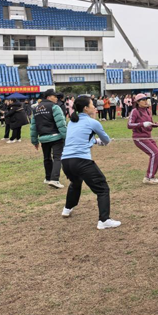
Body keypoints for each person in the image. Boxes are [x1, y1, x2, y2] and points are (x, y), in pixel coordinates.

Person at [61, 95, 120, 230]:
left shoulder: (72, 122)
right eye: (92, 105)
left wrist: (95, 141)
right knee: (102, 188)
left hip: (66, 161)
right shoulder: (93, 122)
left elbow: (81, 138)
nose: (94, 107)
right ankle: (104, 220)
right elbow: (106, 140)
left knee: (76, 182)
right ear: (86, 108)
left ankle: (67, 208)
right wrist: (102, 141)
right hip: (81, 161)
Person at [30, 89, 67, 189]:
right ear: (48, 97)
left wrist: (34, 140)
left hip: (43, 138)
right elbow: (61, 124)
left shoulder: (36, 108)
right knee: (57, 158)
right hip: (56, 137)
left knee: (47, 158)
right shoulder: (55, 107)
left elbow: (33, 126)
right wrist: (66, 137)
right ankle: (54, 179)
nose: (56, 98)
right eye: (54, 96)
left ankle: (48, 178)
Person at [128, 94, 158, 184]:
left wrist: (155, 124)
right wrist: (142, 124)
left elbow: (150, 124)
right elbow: (129, 125)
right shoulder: (135, 111)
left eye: (146, 99)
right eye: (143, 100)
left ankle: (150, 175)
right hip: (139, 138)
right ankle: (149, 177)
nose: (145, 101)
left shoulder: (148, 111)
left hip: (148, 136)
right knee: (155, 154)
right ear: (138, 102)